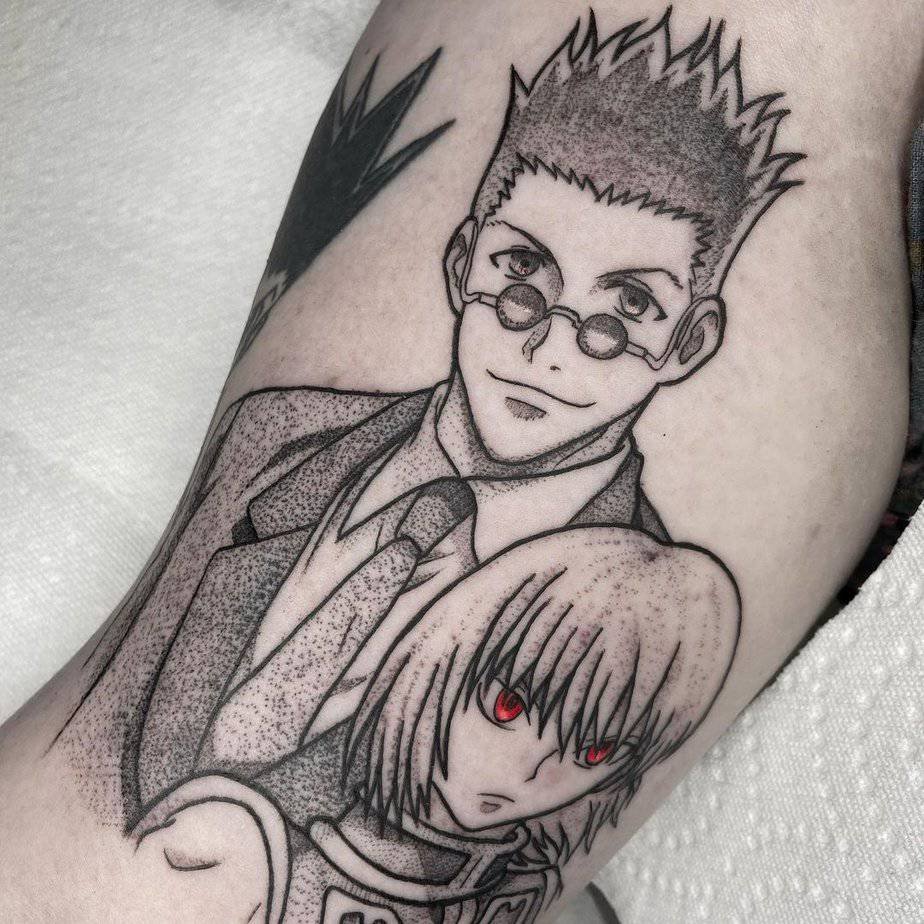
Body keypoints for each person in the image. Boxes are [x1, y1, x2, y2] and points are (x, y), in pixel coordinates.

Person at [0, 1, 917, 921]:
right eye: (521, 280)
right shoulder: (275, 438)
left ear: (690, 342)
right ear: (462, 261)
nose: (548, 348)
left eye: (622, 314)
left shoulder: (642, 636)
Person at [129, 527, 740, 924]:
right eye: (508, 706)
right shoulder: (240, 840)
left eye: (594, 751)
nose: (529, 771)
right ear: (445, 659)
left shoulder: (524, 893)